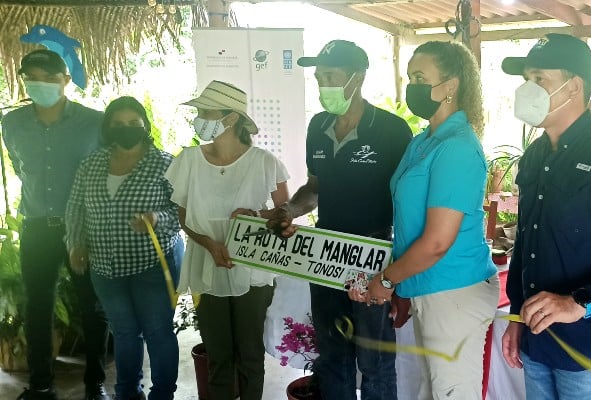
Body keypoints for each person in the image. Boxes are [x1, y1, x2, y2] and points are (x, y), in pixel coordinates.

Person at [350, 40, 500, 400]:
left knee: (451, 392)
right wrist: (403, 287)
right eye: (409, 77)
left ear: (450, 86)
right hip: (429, 287)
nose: (411, 86)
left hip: (454, 292)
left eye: (420, 77)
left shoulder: (458, 147)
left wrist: (386, 280)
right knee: (434, 390)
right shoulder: (424, 141)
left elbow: (436, 242)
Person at [265, 40, 412, 400]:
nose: (323, 85)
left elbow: (408, 203)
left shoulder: (392, 131)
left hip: (373, 255)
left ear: (357, 78)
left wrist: (400, 278)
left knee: (375, 357)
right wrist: (288, 210)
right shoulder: (318, 126)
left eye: (332, 76)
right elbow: (315, 187)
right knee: (332, 353)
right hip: (325, 255)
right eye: (319, 78)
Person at [500, 33, 591, 400]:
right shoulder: (534, 157)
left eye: (540, 80)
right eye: (526, 80)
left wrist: (578, 302)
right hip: (538, 340)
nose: (528, 89)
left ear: (574, 87)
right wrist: (515, 318)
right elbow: (526, 245)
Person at [165, 80, 290, 400]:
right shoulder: (188, 160)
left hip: (252, 270)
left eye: (207, 112)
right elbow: (184, 218)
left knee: (250, 354)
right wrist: (209, 244)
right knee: (217, 354)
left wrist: (256, 218)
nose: (199, 119)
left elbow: (284, 216)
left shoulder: (264, 162)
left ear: (231, 119)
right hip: (207, 267)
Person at [1, 49, 110, 400]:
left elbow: (108, 171)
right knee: (37, 307)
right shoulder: (12, 124)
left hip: (83, 228)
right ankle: (41, 385)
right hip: (35, 226)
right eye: (33, 77)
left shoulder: (94, 122)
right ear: (24, 81)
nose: (42, 84)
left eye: (50, 78)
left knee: (92, 305)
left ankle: (95, 385)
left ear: (66, 80)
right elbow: (21, 168)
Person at [65, 96, 184, 400]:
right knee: (125, 333)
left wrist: (157, 218)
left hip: (153, 266)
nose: (126, 128)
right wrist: (76, 241)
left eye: (133, 123)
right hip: (106, 268)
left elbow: (182, 212)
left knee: (158, 332)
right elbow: (76, 206)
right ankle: (127, 393)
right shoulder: (92, 162)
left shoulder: (164, 163)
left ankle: (162, 394)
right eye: (118, 124)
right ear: (107, 128)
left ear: (144, 125)